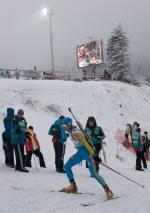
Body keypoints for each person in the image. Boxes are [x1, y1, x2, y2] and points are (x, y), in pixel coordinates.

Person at [61, 117, 113, 199]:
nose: (63, 127)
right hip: (80, 153)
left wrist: (95, 156)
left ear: (69, 124)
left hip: (87, 153)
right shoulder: (72, 131)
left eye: (64, 125)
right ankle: (73, 186)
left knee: (94, 174)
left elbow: (87, 144)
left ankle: (108, 190)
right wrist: (80, 126)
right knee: (67, 166)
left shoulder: (76, 132)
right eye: (62, 125)